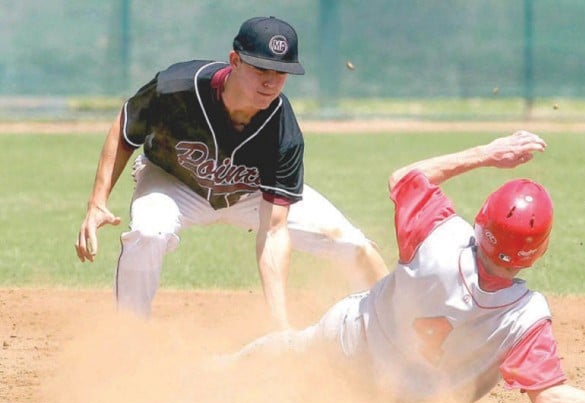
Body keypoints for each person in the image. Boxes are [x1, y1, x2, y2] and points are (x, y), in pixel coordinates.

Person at [226, 130, 585, 403]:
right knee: (479, 373)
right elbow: (551, 400)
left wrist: (488, 153)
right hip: (407, 401)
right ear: (537, 253)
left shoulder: (439, 237)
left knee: (285, 353)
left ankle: (211, 377)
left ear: (482, 221)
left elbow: (405, 178)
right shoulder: (527, 313)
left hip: (345, 346)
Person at [74, 16, 388, 330]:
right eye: (260, 68)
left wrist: (281, 328)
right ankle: (129, 336)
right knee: (147, 233)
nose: (270, 81)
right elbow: (126, 128)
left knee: (353, 245)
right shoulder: (179, 87)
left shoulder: (283, 131)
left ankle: (397, 326)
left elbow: (275, 231)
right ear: (235, 60)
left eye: (281, 72)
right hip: (174, 181)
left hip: (249, 193)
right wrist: (97, 201)